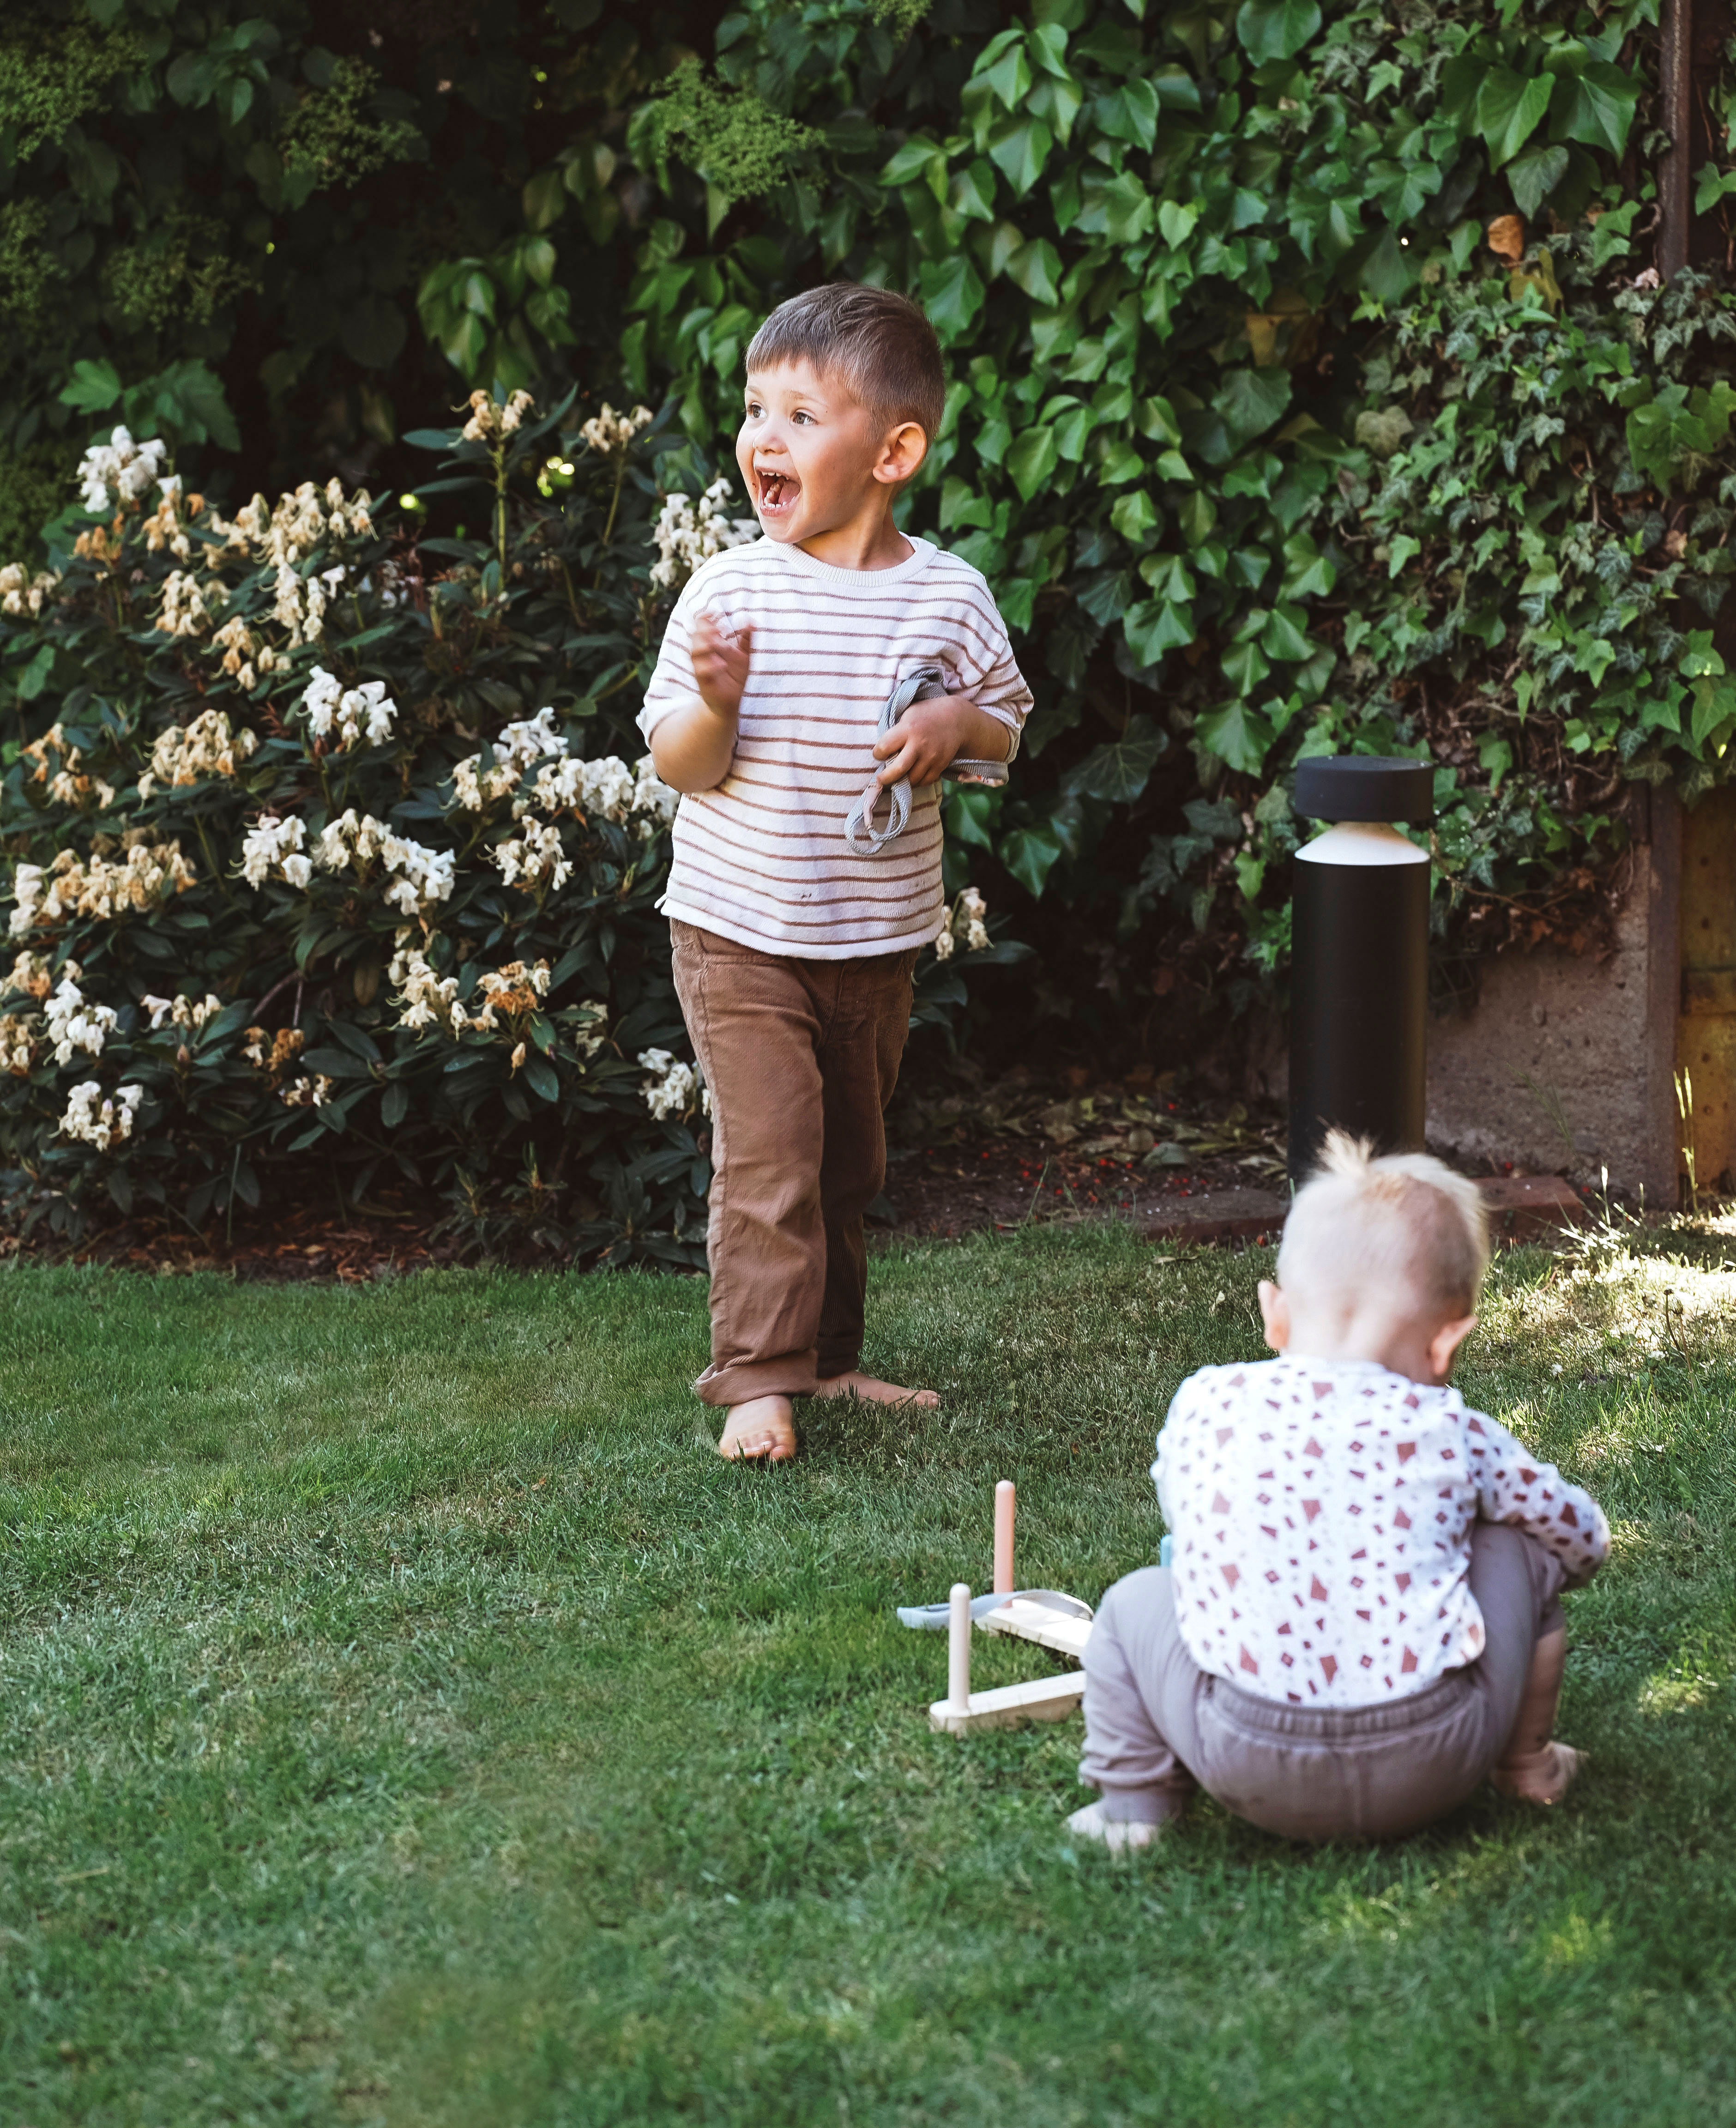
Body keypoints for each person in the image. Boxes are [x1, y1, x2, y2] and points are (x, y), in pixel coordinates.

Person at [641, 283, 1032, 1464]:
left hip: (875, 940)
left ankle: (831, 1360)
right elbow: (677, 763)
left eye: (801, 416)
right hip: (740, 936)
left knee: (847, 1166)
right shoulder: (731, 591)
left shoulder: (947, 595)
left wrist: (956, 725)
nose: (764, 436)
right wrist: (716, 705)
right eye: (755, 410)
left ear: (892, 454)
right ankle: (757, 1379)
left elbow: (1005, 728)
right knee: (772, 1161)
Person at [1068, 1132, 1609, 1851]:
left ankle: (1134, 1806)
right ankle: (1527, 1766)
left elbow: (1184, 1524)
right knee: (1524, 1547)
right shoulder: (1450, 1427)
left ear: (1275, 1314)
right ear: (1447, 1343)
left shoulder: (1206, 1401)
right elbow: (1581, 1537)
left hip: (1240, 1753)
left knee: (1132, 1600)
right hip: (1436, 1757)